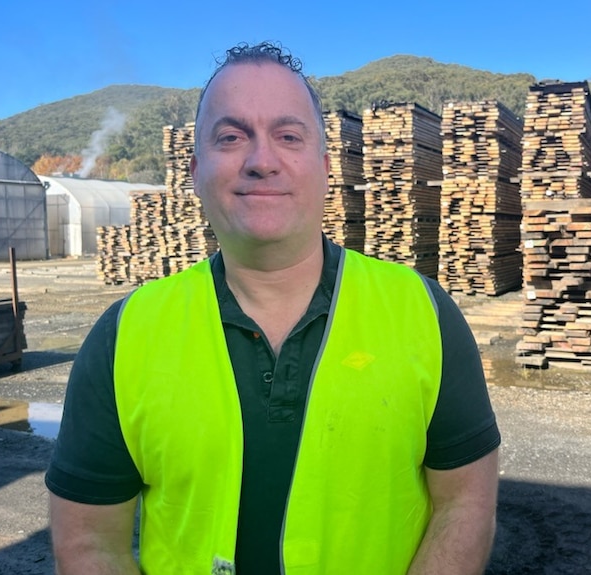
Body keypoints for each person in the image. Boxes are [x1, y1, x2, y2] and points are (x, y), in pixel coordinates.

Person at [45, 41, 500, 575]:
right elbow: (89, 544)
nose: (262, 161)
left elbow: (464, 504)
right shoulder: (125, 336)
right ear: (194, 169)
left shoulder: (423, 314)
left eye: (287, 136)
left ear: (325, 166)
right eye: (232, 137)